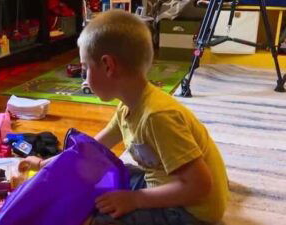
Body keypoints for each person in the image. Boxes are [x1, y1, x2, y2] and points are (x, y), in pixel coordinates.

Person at [19, 9, 229, 225]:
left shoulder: (157, 116)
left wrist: (136, 199)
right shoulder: (129, 106)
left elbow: (200, 186)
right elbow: (90, 150)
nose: (84, 79)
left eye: (85, 69)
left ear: (108, 66)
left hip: (190, 212)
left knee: (96, 220)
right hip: (164, 185)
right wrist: (45, 164)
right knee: (100, 172)